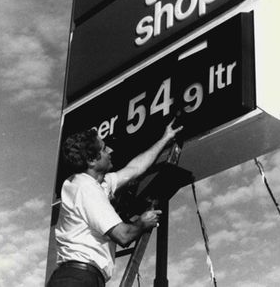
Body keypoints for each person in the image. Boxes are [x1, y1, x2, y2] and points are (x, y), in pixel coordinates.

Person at [47, 120, 183, 287]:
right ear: (91, 160)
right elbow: (123, 236)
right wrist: (142, 223)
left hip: (83, 278)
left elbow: (134, 169)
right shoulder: (85, 188)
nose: (110, 150)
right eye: (104, 149)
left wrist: (165, 138)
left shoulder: (99, 184)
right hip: (77, 279)